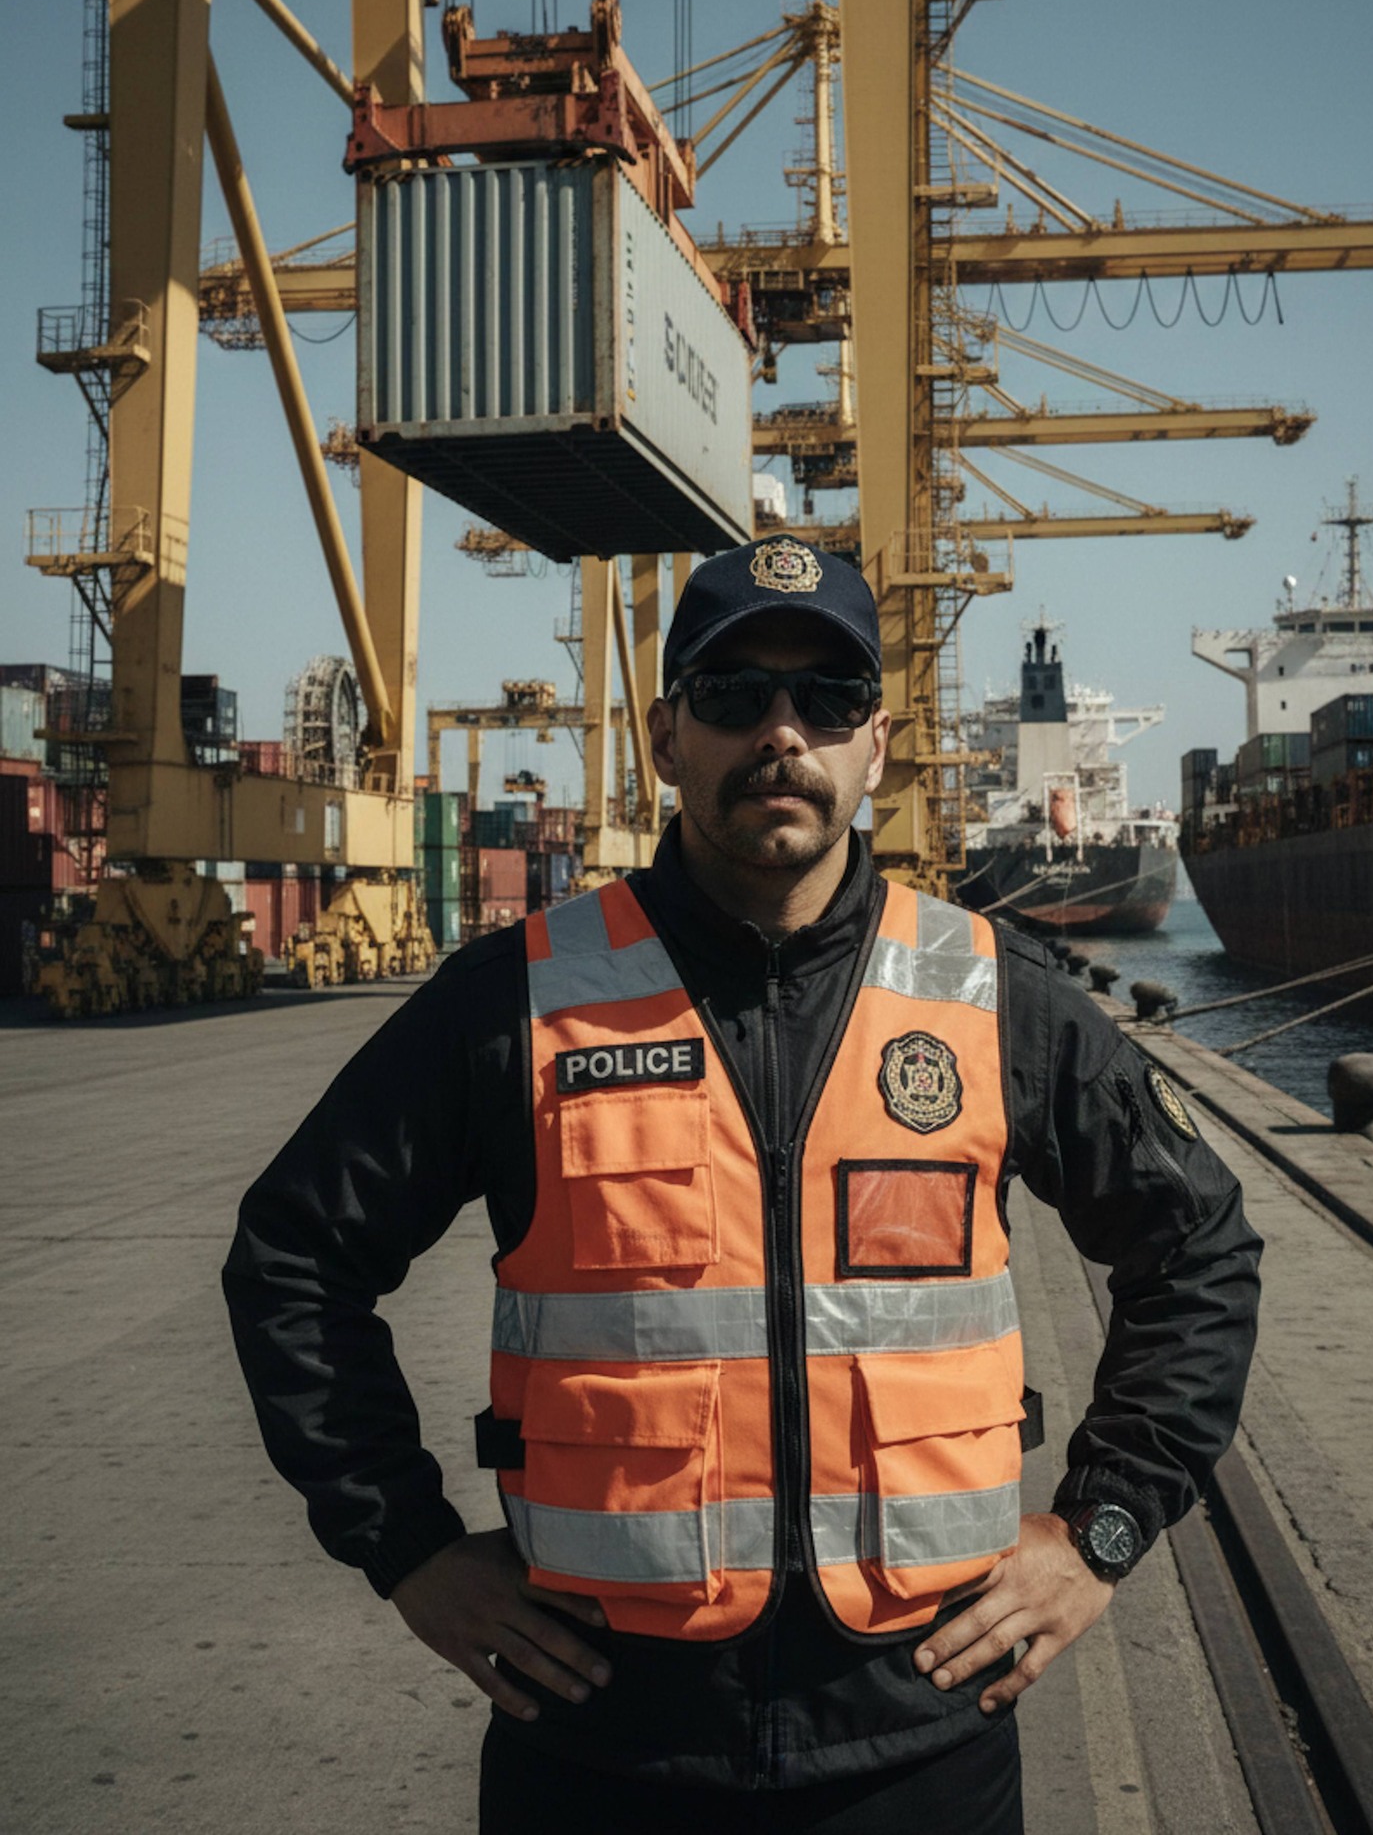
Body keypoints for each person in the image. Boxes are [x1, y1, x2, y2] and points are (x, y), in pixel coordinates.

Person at [224, 535, 1261, 1833]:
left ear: (875, 744)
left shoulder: (993, 999)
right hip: (604, 1752)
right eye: (735, 697)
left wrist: (1102, 1530)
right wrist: (409, 1548)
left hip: (921, 1743)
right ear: (667, 737)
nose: (783, 731)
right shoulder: (520, 1003)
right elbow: (291, 1257)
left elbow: (1201, 1248)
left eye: (824, 700)